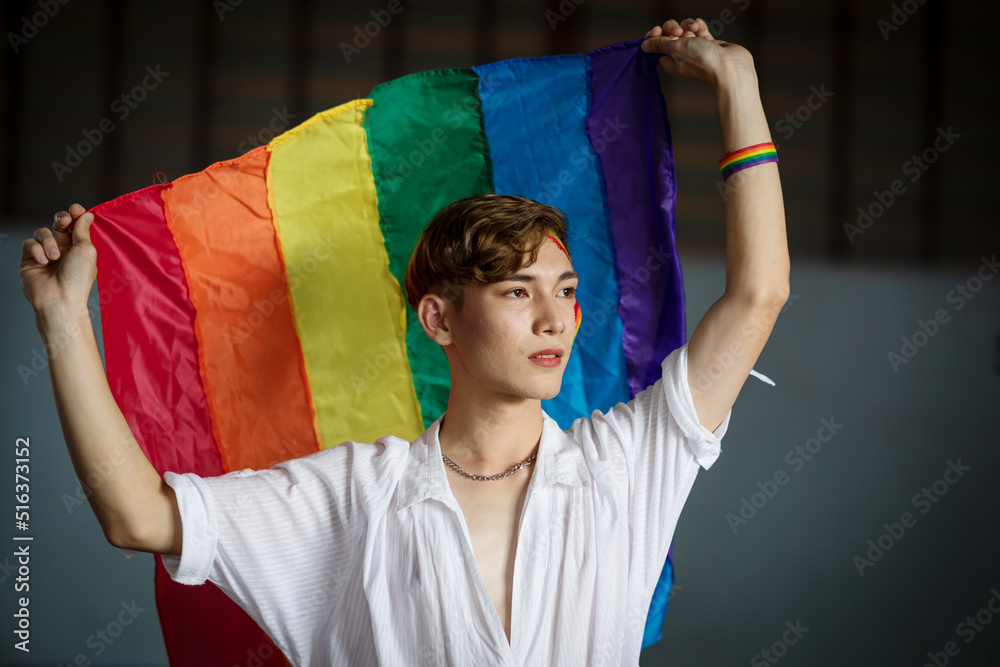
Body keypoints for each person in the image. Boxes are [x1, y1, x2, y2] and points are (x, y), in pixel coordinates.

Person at [19, 18, 788, 666]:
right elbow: (137, 516)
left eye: (567, 291)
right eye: (517, 292)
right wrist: (63, 321)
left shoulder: (625, 465)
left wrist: (738, 85)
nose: (556, 319)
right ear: (440, 320)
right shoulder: (353, 496)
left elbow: (760, 295)